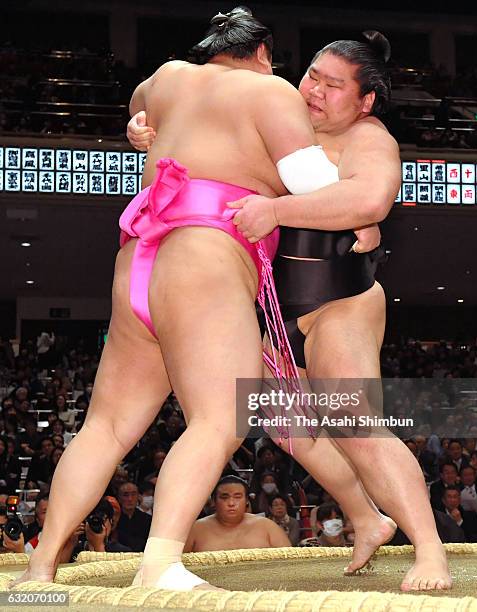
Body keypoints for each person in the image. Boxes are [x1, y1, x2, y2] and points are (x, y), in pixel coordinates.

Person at [11, 6, 367, 592]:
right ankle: (159, 565)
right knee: (220, 416)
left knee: (105, 425)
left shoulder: (168, 75)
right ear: (262, 54)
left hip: (140, 263)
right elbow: (313, 188)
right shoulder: (268, 90)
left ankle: (40, 566)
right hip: (204, 260)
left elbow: (137, 106)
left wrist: (139, 128)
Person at [128, 26, 451, 591]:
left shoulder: (368, 138)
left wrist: (278, 210)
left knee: (353, 420)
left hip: (337, 303)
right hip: (272, 310)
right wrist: (138, 123)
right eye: (312, 77)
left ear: (365, 100)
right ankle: (366, 518)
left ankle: (429, 551)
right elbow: (158, 93)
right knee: (281, 421)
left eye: (332, 86)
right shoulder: (275, 109)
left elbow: (371, 197)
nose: (315, 91)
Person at [184, 475, 290, 552]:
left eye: (237, 497)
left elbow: (290, 563)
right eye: (224, 497)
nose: (231, 503)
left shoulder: (267, 527)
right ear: (213, 501)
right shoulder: (196, 529)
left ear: (247, 501)